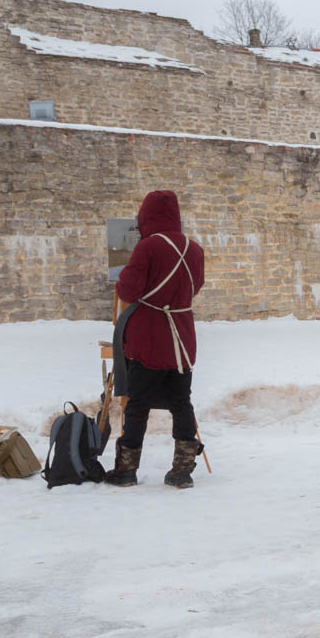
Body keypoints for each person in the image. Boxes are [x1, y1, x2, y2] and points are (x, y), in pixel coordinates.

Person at [105, 190, 207, 489]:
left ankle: (126, 470)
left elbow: (128, 290)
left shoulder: (148, 247)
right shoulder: (195, 248)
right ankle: (183, 471)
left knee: (138, 404)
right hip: (182, 336)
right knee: (181, 402)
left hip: (149, 336)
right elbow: (194, 287)